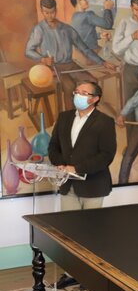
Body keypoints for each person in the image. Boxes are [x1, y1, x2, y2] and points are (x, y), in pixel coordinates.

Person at [25, 0, 116, 110]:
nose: (49, 16)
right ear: (42, 11)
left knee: (93, 82)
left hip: (70, 64)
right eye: (46, 13)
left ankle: (87, 112)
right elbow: (28, 51)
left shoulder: (67, 29)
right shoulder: (39, 29)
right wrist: (42, 59)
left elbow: (85, 49)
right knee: (70, 87)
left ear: (56, 10)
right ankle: (70, 116)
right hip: (53, 67)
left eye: (52, 12)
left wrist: (103, 62)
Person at [48, 80, 117, 210]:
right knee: (68, 223)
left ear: (95, 99)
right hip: (67, 184)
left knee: (90, 223)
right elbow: (53, 146)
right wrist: (60, 164)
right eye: (77, 92)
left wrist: (76, 168)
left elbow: (106, 155)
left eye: (84, 93)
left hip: (93, 186)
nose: (78, 96)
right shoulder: (64, 117)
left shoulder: (105, 122)